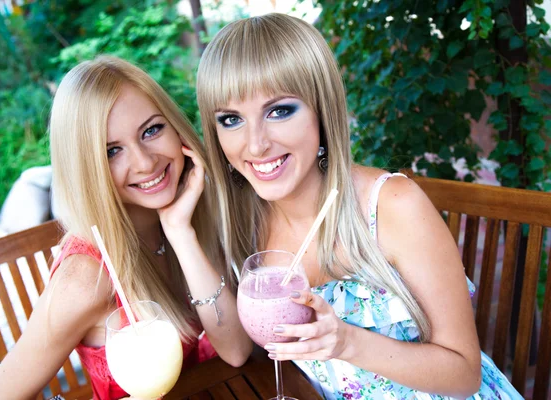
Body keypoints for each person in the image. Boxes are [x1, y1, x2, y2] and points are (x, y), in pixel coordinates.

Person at [196, 13, 521, 400]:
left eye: (279, 110)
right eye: (231, 119)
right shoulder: (244, 220)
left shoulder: (392, 205)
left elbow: (464, 374)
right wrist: (180, 227)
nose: (255, 145)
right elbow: (237, 351)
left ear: (322, 109)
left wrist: (347, 342)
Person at [0, 55, 253, 400]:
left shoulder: (185, 213)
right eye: (112, 152)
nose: (145, 162)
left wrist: (181, 233)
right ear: (87, 168)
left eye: (152, 130)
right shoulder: (85, 279)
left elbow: (236, 351)